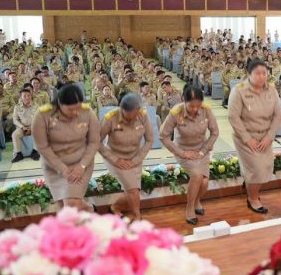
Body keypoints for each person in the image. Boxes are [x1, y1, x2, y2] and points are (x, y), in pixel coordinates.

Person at [32, 84, 100, 211]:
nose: (75, 112)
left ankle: (85, 215)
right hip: (54, 165)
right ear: (59, 103)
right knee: (63, 207)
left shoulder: (87, 112)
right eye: (70, 109)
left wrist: (82, 165)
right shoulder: (43, 115)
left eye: (78, 108)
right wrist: (62, 169)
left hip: (80, 163)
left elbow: (94, 142)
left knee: (71, 204)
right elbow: (42, 147)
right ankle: (90, 209)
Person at [228, 59, 281, 214]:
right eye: (257, 73)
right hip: (245, 137)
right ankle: (253, 198)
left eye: (264, 73)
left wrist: (270, 137)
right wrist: (247, 139)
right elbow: (233, 117)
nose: (261, 76)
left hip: (265, 137)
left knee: (266, 167)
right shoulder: (239, 91)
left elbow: (278, 116)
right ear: (248, 74)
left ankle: (249, 183)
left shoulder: (271, 90)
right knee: (257, 169)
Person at [160, 86, 219, 225]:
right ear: (183, 101)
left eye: (198, 106)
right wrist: (182, 153)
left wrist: (203, 151)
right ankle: (189, 207)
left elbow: (215, 132)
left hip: (201, 150)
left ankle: (196, 201)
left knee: (204, 183)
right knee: (197, 176)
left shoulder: (206, 110)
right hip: (183, 151)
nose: (195, 109)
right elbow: (163, 136)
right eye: (191, 106)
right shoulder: (176, 112)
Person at [99, 93, 153, 221]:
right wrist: (115, 160)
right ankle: (137, 217)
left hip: (135, 158)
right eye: (126, 115)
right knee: (133, 190)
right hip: (116, 158)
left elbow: (149, 140)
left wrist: (137, 160)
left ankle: (115, 207)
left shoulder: (143, 116)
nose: (130, 119)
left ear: (138, 110)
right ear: (121, 108)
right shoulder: (110, 118)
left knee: (133, 191)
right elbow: (96, 141)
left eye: (133, 115)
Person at [11, 88, 40, 162]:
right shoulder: (17, 107)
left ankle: (35, 152)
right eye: (24, 96)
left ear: (31, 96)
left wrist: (31, 128)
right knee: (14, 135)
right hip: (22, 127)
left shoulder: (36, 106)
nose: (27, 97)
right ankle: (19, 154)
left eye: (29, 95)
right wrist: (22, 127)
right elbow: (15, 120)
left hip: (34, 127)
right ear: (21, 97)